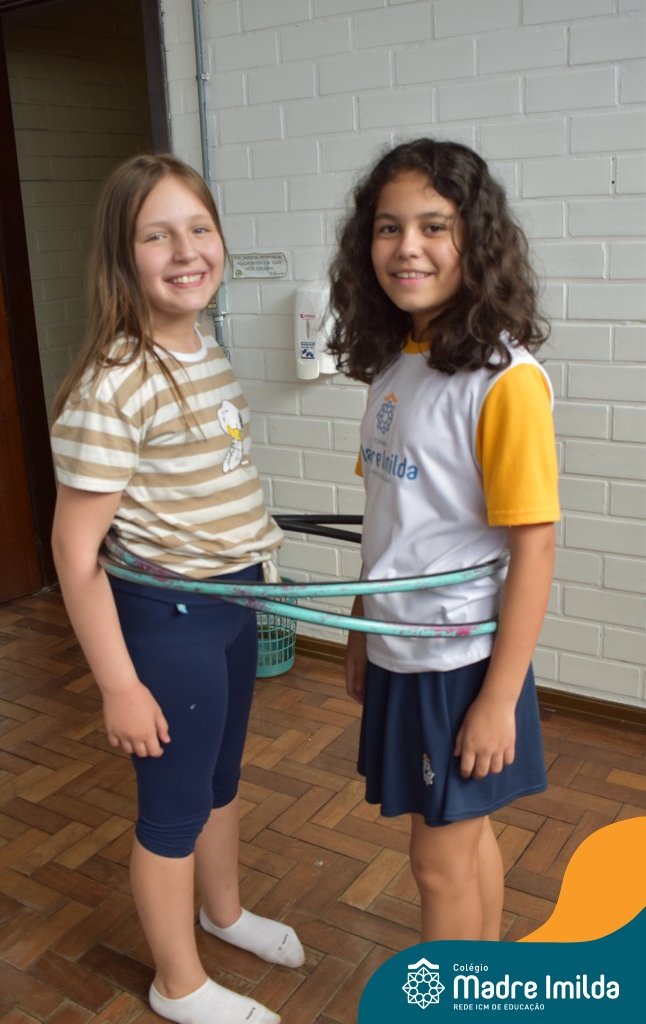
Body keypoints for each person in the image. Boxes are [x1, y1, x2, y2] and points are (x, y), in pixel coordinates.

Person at [50, 153, 303, 1024]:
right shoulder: (115, 381)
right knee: (173, 808)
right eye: (156, 236)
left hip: (232, 603)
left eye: (199, 228)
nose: (186, 250)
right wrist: (119, 685)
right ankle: (177, 984)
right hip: (170, 620)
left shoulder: (204, 348)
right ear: (122, 257)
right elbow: (75, 550)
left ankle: (222, 914)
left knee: (220, 781)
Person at [327, 138, 559, 943]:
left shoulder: (504, 381)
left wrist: (497, 698)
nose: (407, 248)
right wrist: (360, 623)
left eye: (434, 226)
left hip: (457, 661)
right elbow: (391, 516)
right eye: (388, 228)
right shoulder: (396, 365)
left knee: (436, 863)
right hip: (400, 642)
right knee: (461, 841)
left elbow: (534, 548)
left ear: (476, 240)